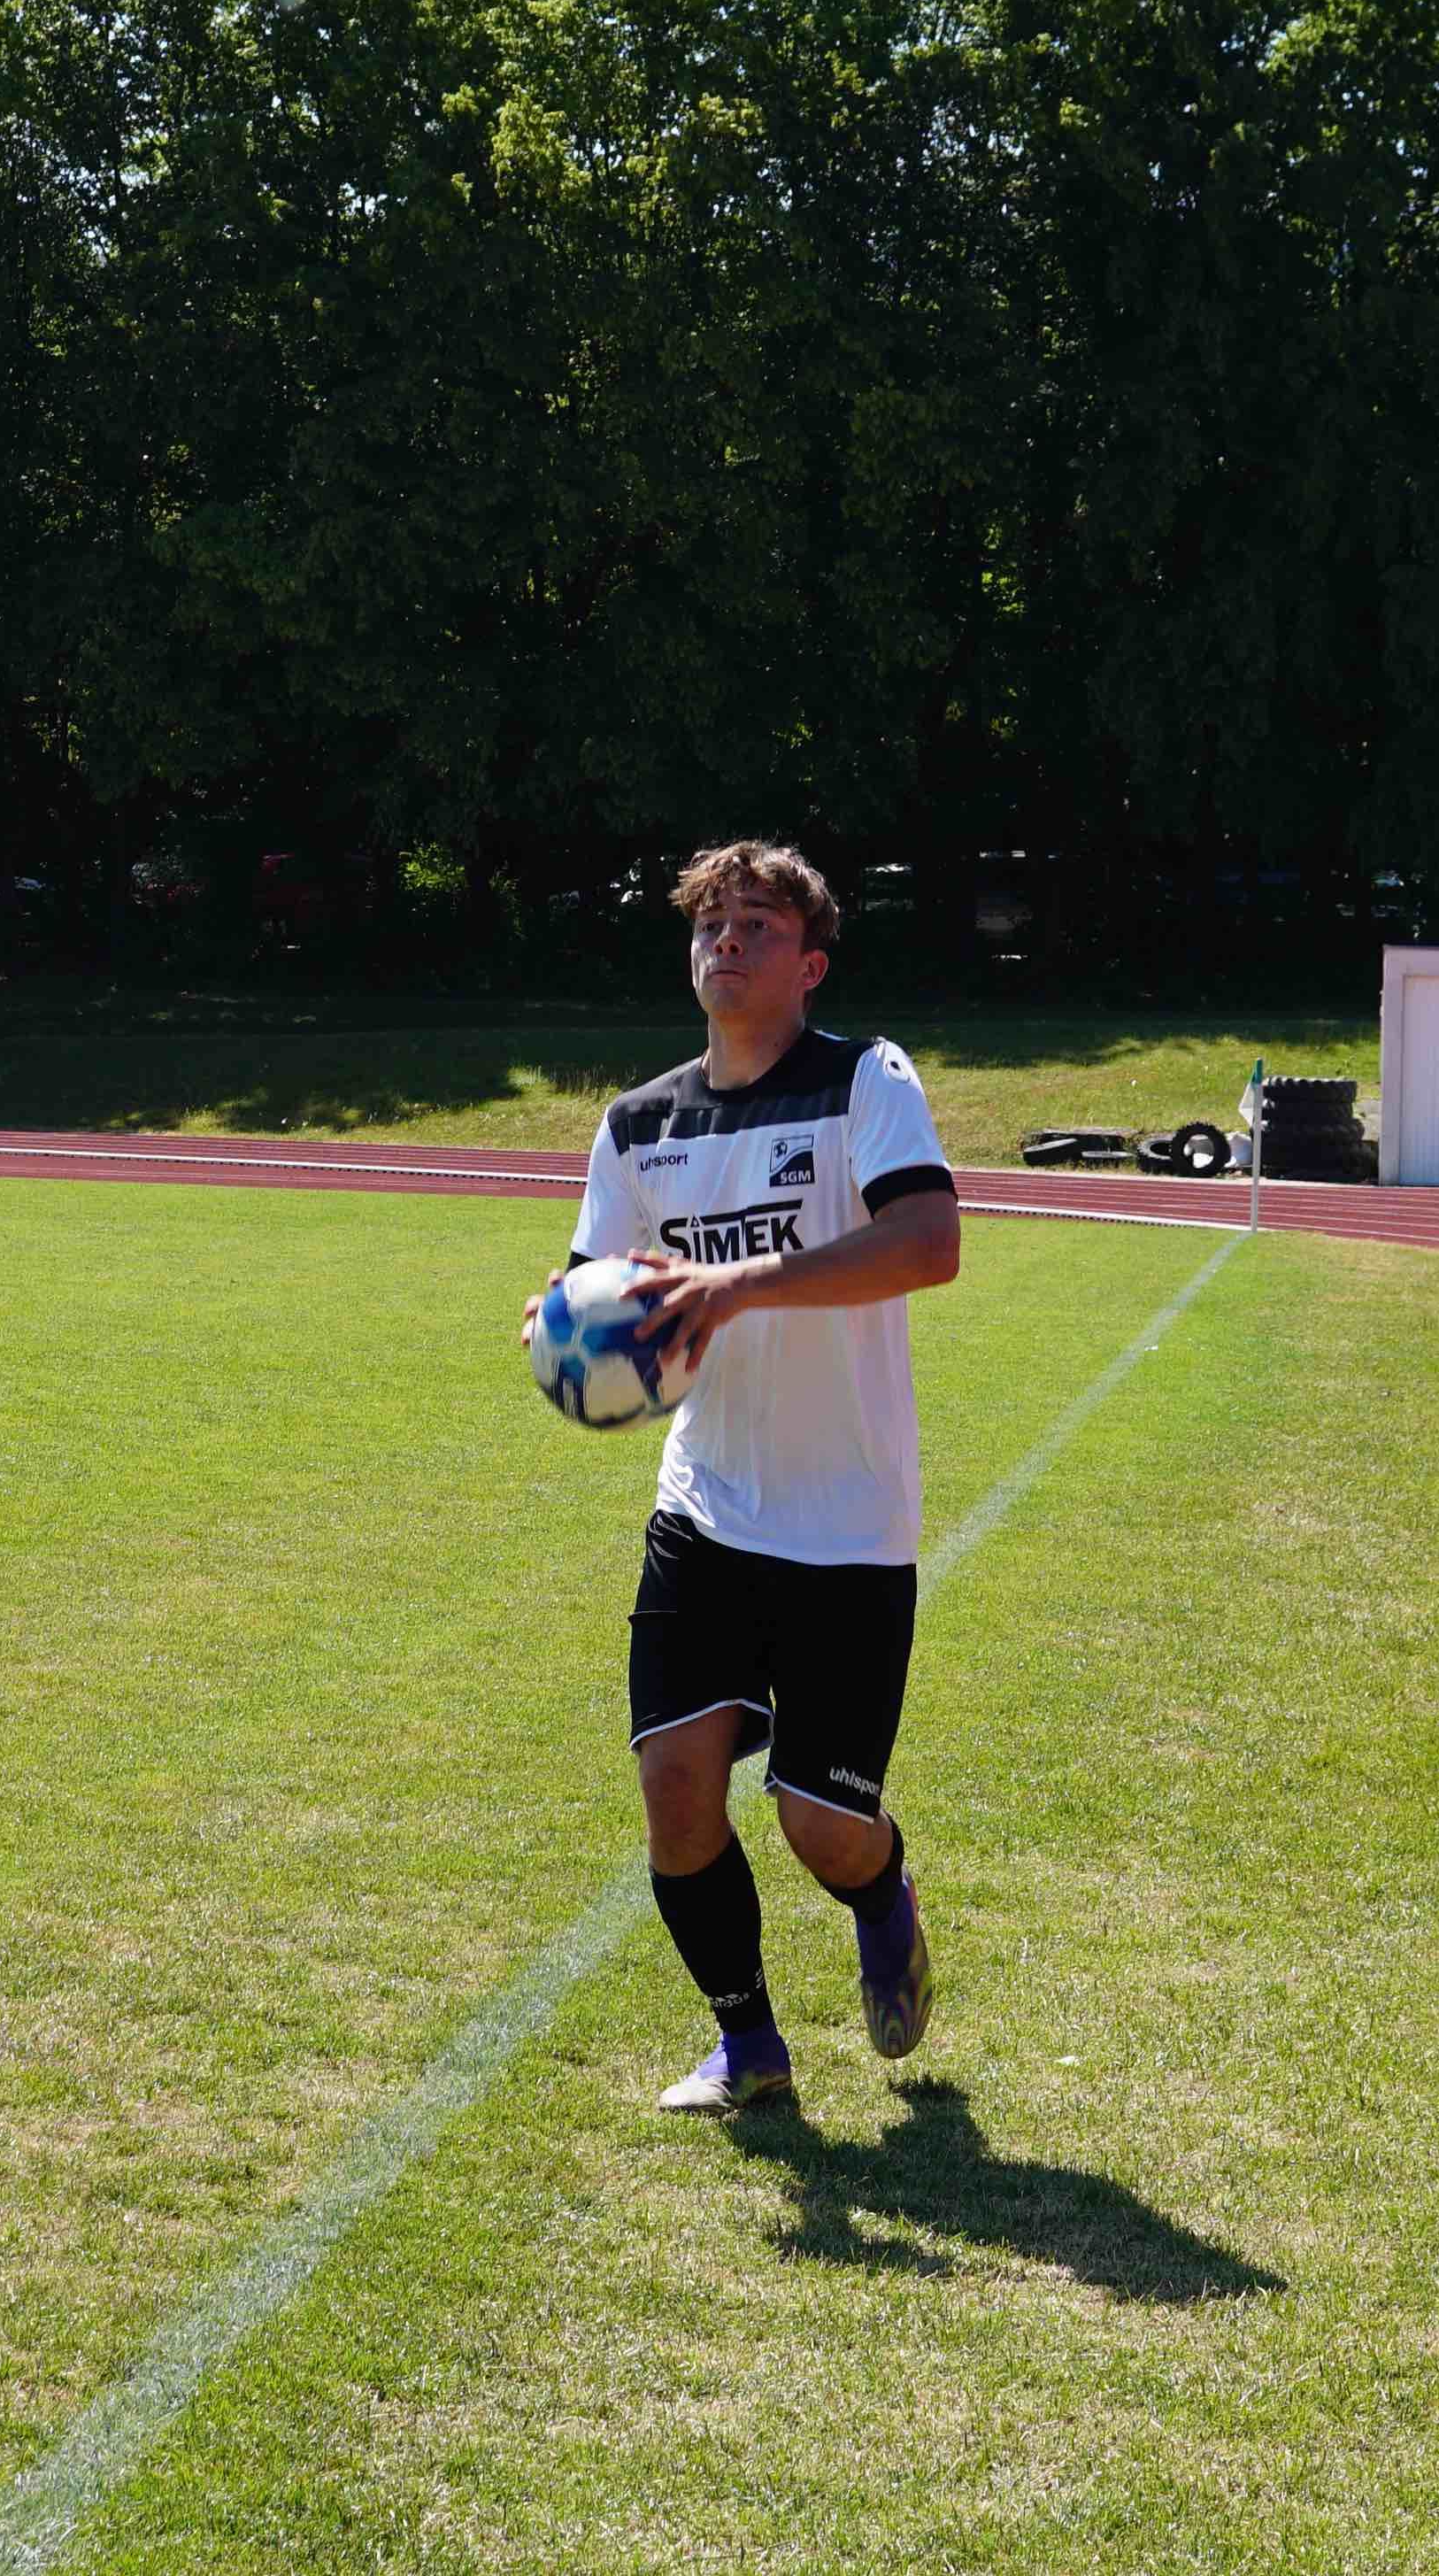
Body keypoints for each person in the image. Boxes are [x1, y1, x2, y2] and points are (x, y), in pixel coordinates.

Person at [561, 841, 962, 2116]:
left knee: (819, 1827)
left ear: (811, 964)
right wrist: (570, 1328)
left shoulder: (862, 1081)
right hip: (707, 1511)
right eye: (710, 925)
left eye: (757, 925)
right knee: (676, 1789)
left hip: (848, 1526)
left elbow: (928, 1242)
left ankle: (883, 1893)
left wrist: (738, 1284)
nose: (726, 941)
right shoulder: (638, 1124)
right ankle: (749, 2046)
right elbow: (603, 1286)